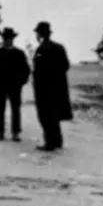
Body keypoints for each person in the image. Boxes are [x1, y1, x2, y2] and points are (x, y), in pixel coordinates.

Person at [31, 21, 72, 151]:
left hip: (44, 89)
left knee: (45, 116)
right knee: (54, 115)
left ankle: (50, 142)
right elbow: (66, 66)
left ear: (40, 34)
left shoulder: (42, 49)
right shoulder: (59, 47)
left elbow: (38, 71)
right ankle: (57, 140)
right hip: (57, 88)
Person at [0, 27, 30, 142]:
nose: (7, 40)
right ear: (3, 39)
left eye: (9, 38)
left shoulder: (19, 54)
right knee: (0, 108)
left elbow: (26, 70)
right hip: (0, 85)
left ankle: (15, 133)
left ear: (13, 39)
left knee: (15, 109)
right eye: (5, 38)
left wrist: (21, 82)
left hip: (15, 86)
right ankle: (0, 132)